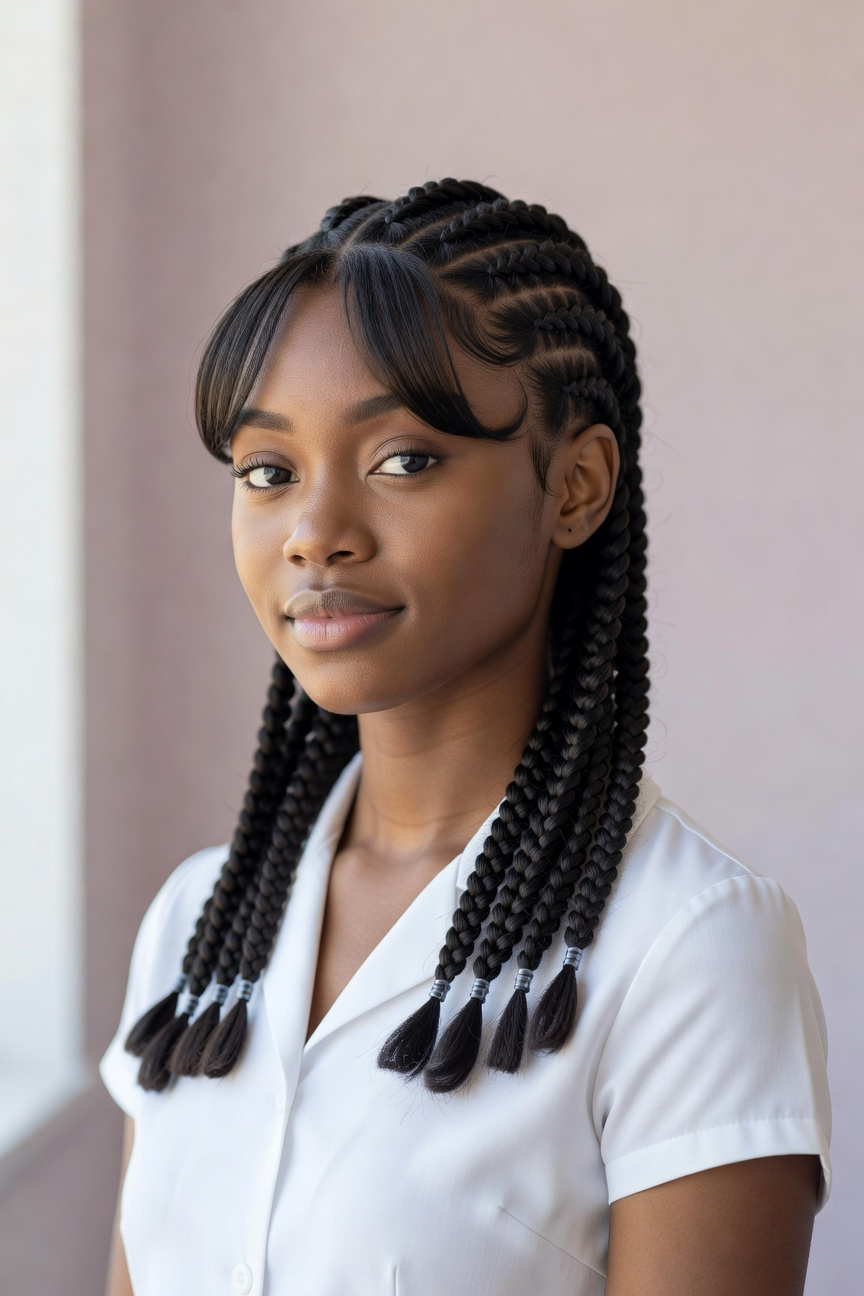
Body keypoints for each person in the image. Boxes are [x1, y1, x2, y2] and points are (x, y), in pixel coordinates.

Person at [99, 178, 831, 1296]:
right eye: (268, 471)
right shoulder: (198, 927)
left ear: (575, 487)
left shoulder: (689, 947)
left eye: (402, 459)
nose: (315, 535)